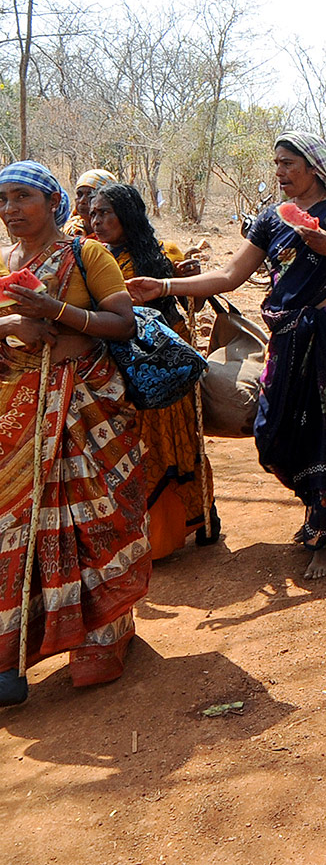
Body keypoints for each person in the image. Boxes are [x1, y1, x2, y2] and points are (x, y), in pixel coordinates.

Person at [128, 132, 326, 581]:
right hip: (288, 339)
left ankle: (324, 533)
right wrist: (164, 286)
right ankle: (319, 510)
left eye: (288, 163)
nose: (280, 172)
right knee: (273, 433)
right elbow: (231, 275)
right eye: (276, 164)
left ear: (314, 165)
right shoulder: (272, 219)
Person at [0, 161, 148, 706]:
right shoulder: (2, 262)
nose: (11, 210)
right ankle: (18, 643)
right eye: (3, 200)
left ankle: (103, 636)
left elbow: (123, 323)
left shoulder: (87, 255)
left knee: (92, 514)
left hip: (85, 408)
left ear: (51, 202)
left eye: (22, 198)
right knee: (20, 524)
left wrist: (56, 310)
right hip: (17, 413)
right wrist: (13, 324)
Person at [91, 182, 220, 557]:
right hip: (119, 367)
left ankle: (180, 524)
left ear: (126, 217)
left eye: (105, 213)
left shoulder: (154, 258)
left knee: (167, 445)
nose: (96, 220)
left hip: (159, 366)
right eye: (93, 213)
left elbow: (174, 305)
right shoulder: (95, 257)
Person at [65, 168, 118, 238]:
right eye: (79, 194)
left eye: (90, 195)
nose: (82, 201)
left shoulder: (113, 237)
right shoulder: (69, 229)